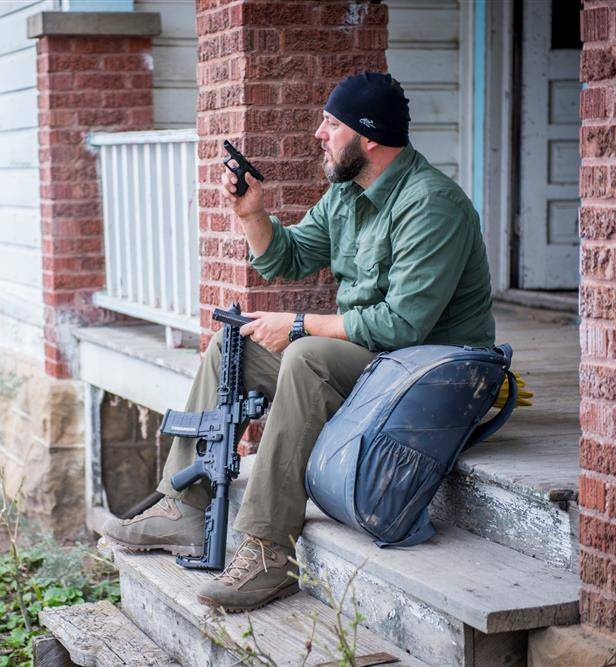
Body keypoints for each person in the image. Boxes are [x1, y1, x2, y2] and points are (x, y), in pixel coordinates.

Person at [102, 72, 496, 612]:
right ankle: (184, 507)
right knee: (231, 347)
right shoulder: (347, 195)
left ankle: (269, 549)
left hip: (436, 374)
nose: (318, 134)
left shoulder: (431, 204)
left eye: (331, 124)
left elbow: (402, 325)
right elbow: (285, 258)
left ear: (369, 136)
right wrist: (251, 213)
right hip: (382, 361)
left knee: (307, 356)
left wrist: (298, 325)